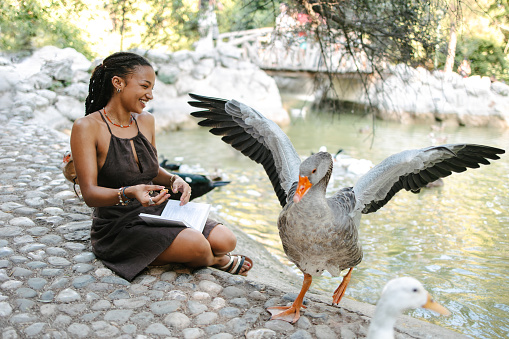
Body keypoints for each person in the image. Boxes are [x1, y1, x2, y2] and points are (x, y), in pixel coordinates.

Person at [70, 52, 252, 281]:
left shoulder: (146, 120)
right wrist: (130, 193)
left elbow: (152, 170)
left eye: (152, 88)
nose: (150, 95)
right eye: (145, 86)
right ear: (118, 83)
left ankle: (203, 252)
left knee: (226, 240)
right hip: (119, 225)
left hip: (157, 211)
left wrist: (174, 179)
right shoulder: (87, 127)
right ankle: (219, 261)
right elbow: (90, 194)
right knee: (199, 245)